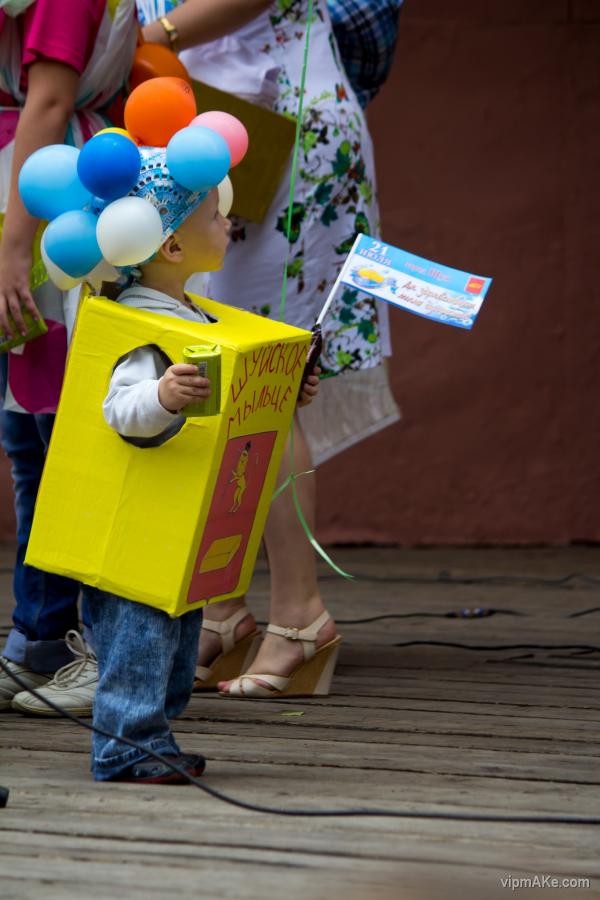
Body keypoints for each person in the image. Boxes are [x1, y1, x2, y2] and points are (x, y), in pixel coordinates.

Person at [140, 0, 400, 698]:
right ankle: (223, 612)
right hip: (201, 129)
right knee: (211, 364)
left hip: (276, 135)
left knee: (265, 373)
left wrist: (149, 39)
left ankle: (299, 616)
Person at [81, 156, 320, 780]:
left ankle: (150, 735)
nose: (229, 222)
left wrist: (284, 389)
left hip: (176, 526)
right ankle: (125, 747)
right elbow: (119, 409)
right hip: (135, 533)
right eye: (215, 215)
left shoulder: (193, 315)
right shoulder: (139, 321)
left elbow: (227, 400)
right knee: (140, 639)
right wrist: (160, 396)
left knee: (176, 638)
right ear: (172, 245)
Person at [0, 0, 138, 714]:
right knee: (29, 436)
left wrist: (13, 248)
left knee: (55, 436)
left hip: (45, 209)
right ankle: (40, 634)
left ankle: (65, 638)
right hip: (33, 196)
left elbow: (50, 101)